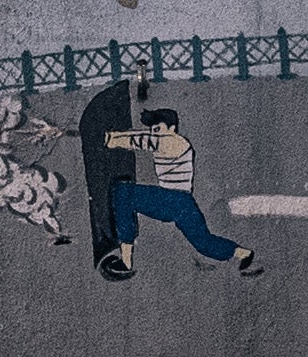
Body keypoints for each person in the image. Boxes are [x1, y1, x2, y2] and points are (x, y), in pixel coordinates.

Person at [98, 104, 260, 280]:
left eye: (158, 128)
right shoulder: (174, 142)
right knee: (203, 241)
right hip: (183, 202)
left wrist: (111, 139)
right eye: (153, 129)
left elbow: (141, 140)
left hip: (170, 199)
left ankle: (126, 261)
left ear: (172, 128)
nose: (155, 132)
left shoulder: (174, 142)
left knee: (123, 192)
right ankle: (242, 253)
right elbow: (144, 138)